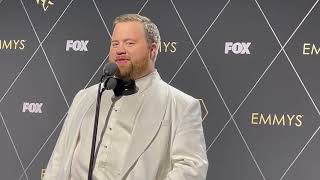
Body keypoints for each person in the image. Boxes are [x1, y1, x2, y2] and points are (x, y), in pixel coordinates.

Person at [44, 14, 208, 180]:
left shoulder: (182, 105)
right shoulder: (85, 97)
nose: (120, 50)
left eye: (129, 43)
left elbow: (191, 169)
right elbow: (58, 159)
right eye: (115, 44)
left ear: (152, 50)